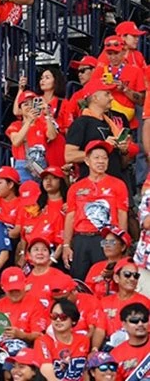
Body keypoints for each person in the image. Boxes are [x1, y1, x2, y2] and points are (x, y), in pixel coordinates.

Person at [62, 140, 129, 281]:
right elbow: (70, 216)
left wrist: (122, 242)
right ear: (87, 161)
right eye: (96, 158)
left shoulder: (118, 184)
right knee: (79, 280)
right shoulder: (76, 187)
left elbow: (122, 214)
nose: (101, 161)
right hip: (81, 238)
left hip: (107, 238)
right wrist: (66, 244)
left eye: (104, 158)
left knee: (105, 278)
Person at [110, 302, 150, 379]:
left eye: (144, 320)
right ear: (124, 324)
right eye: (134, 321)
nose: (140, 324)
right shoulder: (116, 355)